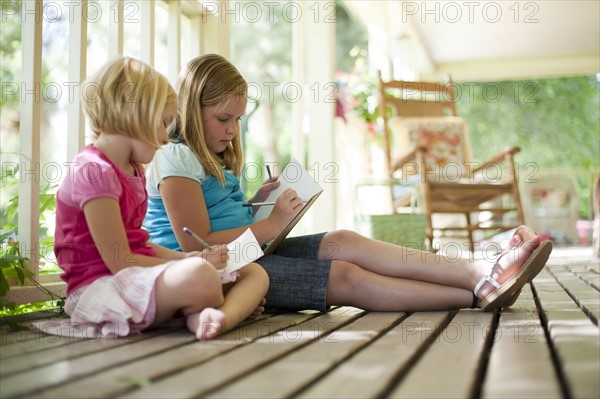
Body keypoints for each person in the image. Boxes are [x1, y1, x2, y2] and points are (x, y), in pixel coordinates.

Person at [143, 53, 552, 314]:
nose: (233, 130)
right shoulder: (174, 157)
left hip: (248, 251)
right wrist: (268, 226)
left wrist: (258, 202)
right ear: (192, 109)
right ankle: (476, 291)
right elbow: (194, 244)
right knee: (345, 276)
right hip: (221, 272)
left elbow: (220, 215)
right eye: (223, 119)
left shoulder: (209, 156)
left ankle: (476, 268)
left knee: (344, 239)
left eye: (238, 119)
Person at [53, 56, 268, 340]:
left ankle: (215, 317)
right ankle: (213, 305)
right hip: (102, 288)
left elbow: (141, 245)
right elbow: (121, 260)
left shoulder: (133, 170)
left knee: (253, 273)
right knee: (201, 276)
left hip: (137, 278)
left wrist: (194, 256)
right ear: (134, 118)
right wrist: (190, 264)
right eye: (163, 123)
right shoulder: (95, 172)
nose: (166, 138)